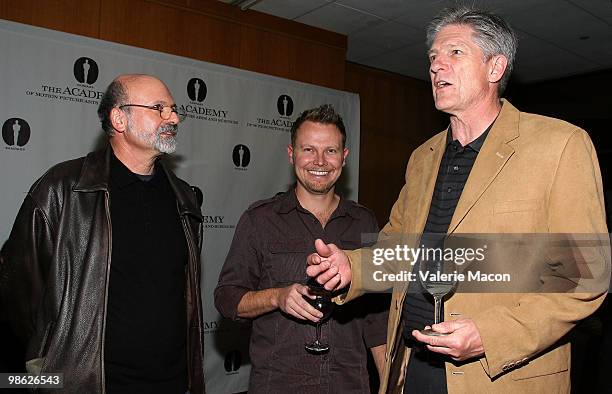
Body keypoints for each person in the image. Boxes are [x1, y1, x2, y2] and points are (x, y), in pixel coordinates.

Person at [306, 6, 610, 394]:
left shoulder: (559, 145)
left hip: (498, 376)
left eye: (454, 53)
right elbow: (397, 249)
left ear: (495, 68)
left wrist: (489, 335)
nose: (436, 66)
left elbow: (584, 276)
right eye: (433, 57)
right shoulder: (423, 157)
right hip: (410, 366)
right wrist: (350, 267)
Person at [0, 74, 205, 393]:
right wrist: (47, 371)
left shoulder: (184, 198)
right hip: (88, 384)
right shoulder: (62, 190)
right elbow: (18, 301)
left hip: (173, 382)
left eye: (174, 109)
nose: (174, 118)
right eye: (159, 108)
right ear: (119, 118)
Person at [215, 104, 388, 393]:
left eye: (330, 151)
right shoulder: (260, 219)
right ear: (291, 154)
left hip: (349, 385)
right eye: (309, 150)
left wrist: (388, 384)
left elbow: (377, 318)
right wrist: (277, 297)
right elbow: (227, 299)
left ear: (344, 158)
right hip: (279, 384)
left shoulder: (364, 221)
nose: (320, 161)